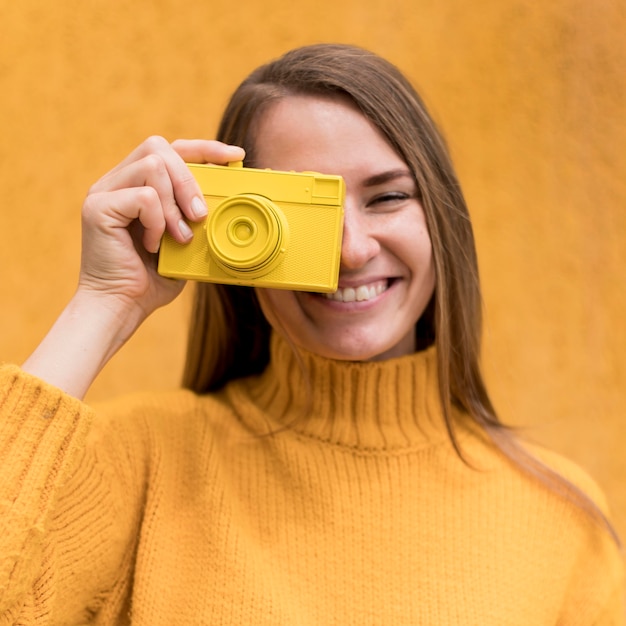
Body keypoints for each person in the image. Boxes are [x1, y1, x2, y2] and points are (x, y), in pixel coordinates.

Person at [0, 44, 623, 624]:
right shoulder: (136, 463)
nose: (351, 251)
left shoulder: (562, 518)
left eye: (387, 198)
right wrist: (102, 304)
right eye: (305, 212)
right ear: (230, 227)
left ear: (440, 215)